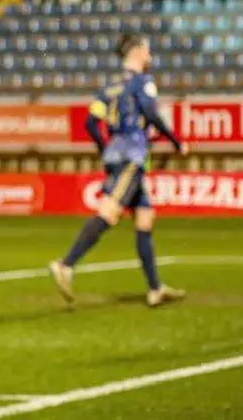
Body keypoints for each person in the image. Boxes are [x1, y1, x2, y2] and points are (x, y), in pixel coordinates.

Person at [48, 34, 189, 308]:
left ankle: (155, 288)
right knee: (109, 211)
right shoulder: (143, 82)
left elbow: (90, 123)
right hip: (132, 156)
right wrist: (176, 141)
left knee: (145, 218)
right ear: (136, 51)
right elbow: (150, 112)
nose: (150, 55)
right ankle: (66, 264)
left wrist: (106, 149)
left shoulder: (110, 87)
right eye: (147, 50)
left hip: (116, 153)